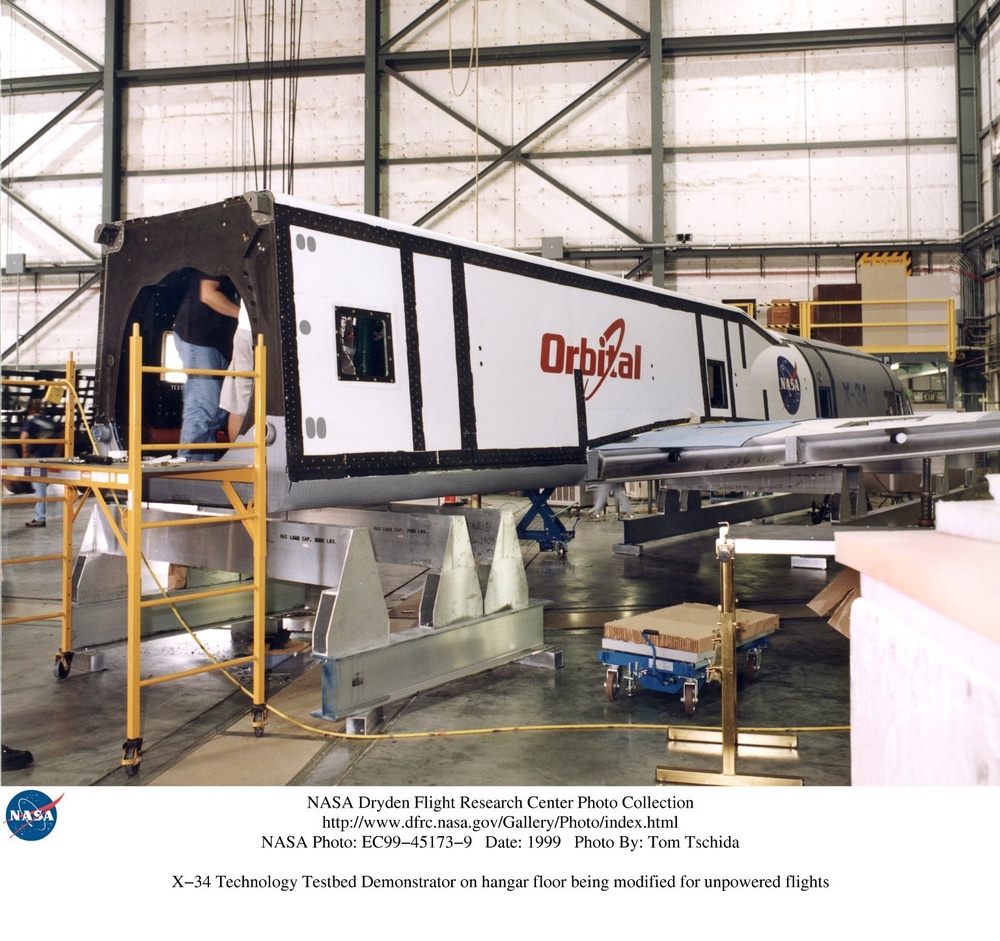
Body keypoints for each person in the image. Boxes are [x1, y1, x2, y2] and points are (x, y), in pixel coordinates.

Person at [172, 269, 240, 460]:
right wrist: (245, 316)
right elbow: (208, 294)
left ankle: (204, 467)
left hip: (218, 342)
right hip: (199, 338)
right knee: (204, 405)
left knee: (219, 411)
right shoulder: (217, 254)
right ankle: (190, 469)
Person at [20, 397, 58, 528]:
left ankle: (40, 518)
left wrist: (25, 454)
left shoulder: (30, 421)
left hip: (36, 458)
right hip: (50, 458)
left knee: (39, 489)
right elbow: (63, 433)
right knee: (43, 485)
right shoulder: (49, 420)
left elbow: (24, 437)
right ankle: (41, 515)